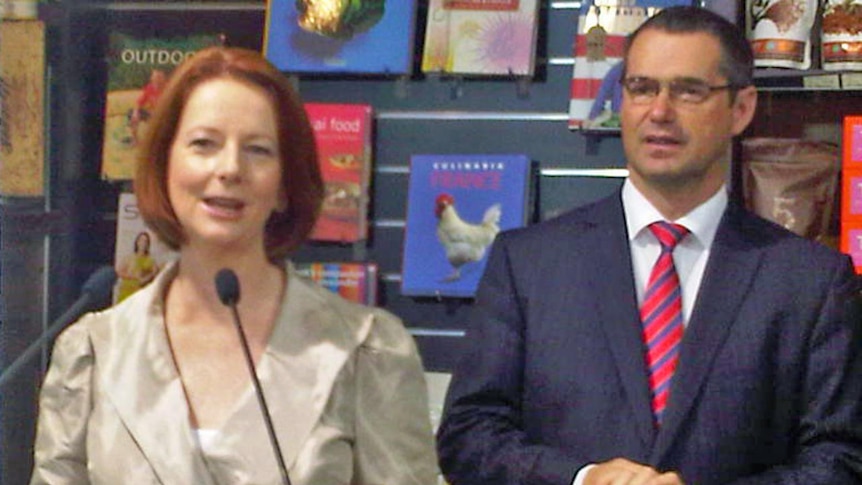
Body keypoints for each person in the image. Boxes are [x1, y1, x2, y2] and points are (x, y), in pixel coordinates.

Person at [437, 6, 862, 485]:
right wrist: (582, 478)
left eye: (688, 91)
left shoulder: (809, 281)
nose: (659, 111)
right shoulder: (529, 263)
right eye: (641, 88)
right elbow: (467, 438)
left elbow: (839, 459)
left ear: (741, 109)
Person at [31, 46, 439, 484]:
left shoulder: (364, 351)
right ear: (164, 163)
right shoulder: (93, 352)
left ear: (286, 184)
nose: (229, 168)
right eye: (203, 144)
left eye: (258, 150)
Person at [115, 231, 160, 302]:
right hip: (127, 290)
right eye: (141, 240)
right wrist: (133, 276)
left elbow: (155, 273)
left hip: (141, 292)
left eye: (145, 241)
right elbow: (119, 271)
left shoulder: (151, 261)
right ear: (137, 242)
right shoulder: (129, 258)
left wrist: (146, 278)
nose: (143, 243)